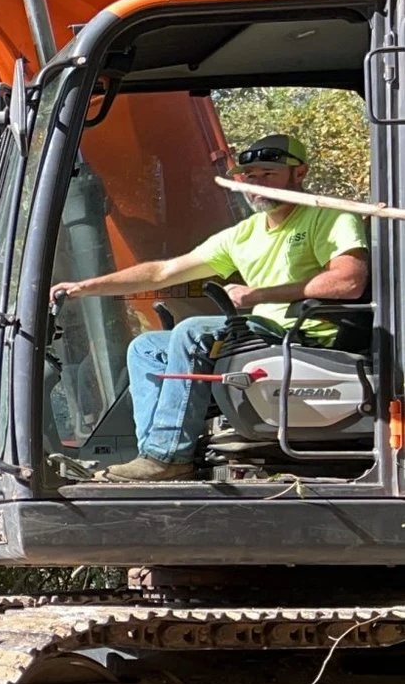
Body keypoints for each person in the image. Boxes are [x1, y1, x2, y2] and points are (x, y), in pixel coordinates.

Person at [49, 133, 371, 480]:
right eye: (250, 176)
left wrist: (257, 294)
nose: (257, 183)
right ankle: (156, 454)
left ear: (300, 172)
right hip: (264, 334)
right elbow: (163, 271)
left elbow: (348, 282)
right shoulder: (244, 234)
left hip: (305, 333)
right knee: (146, 347)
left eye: (269, 174)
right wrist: (85, 287)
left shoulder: (329, 216)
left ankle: (167, 456)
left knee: (192, 332)